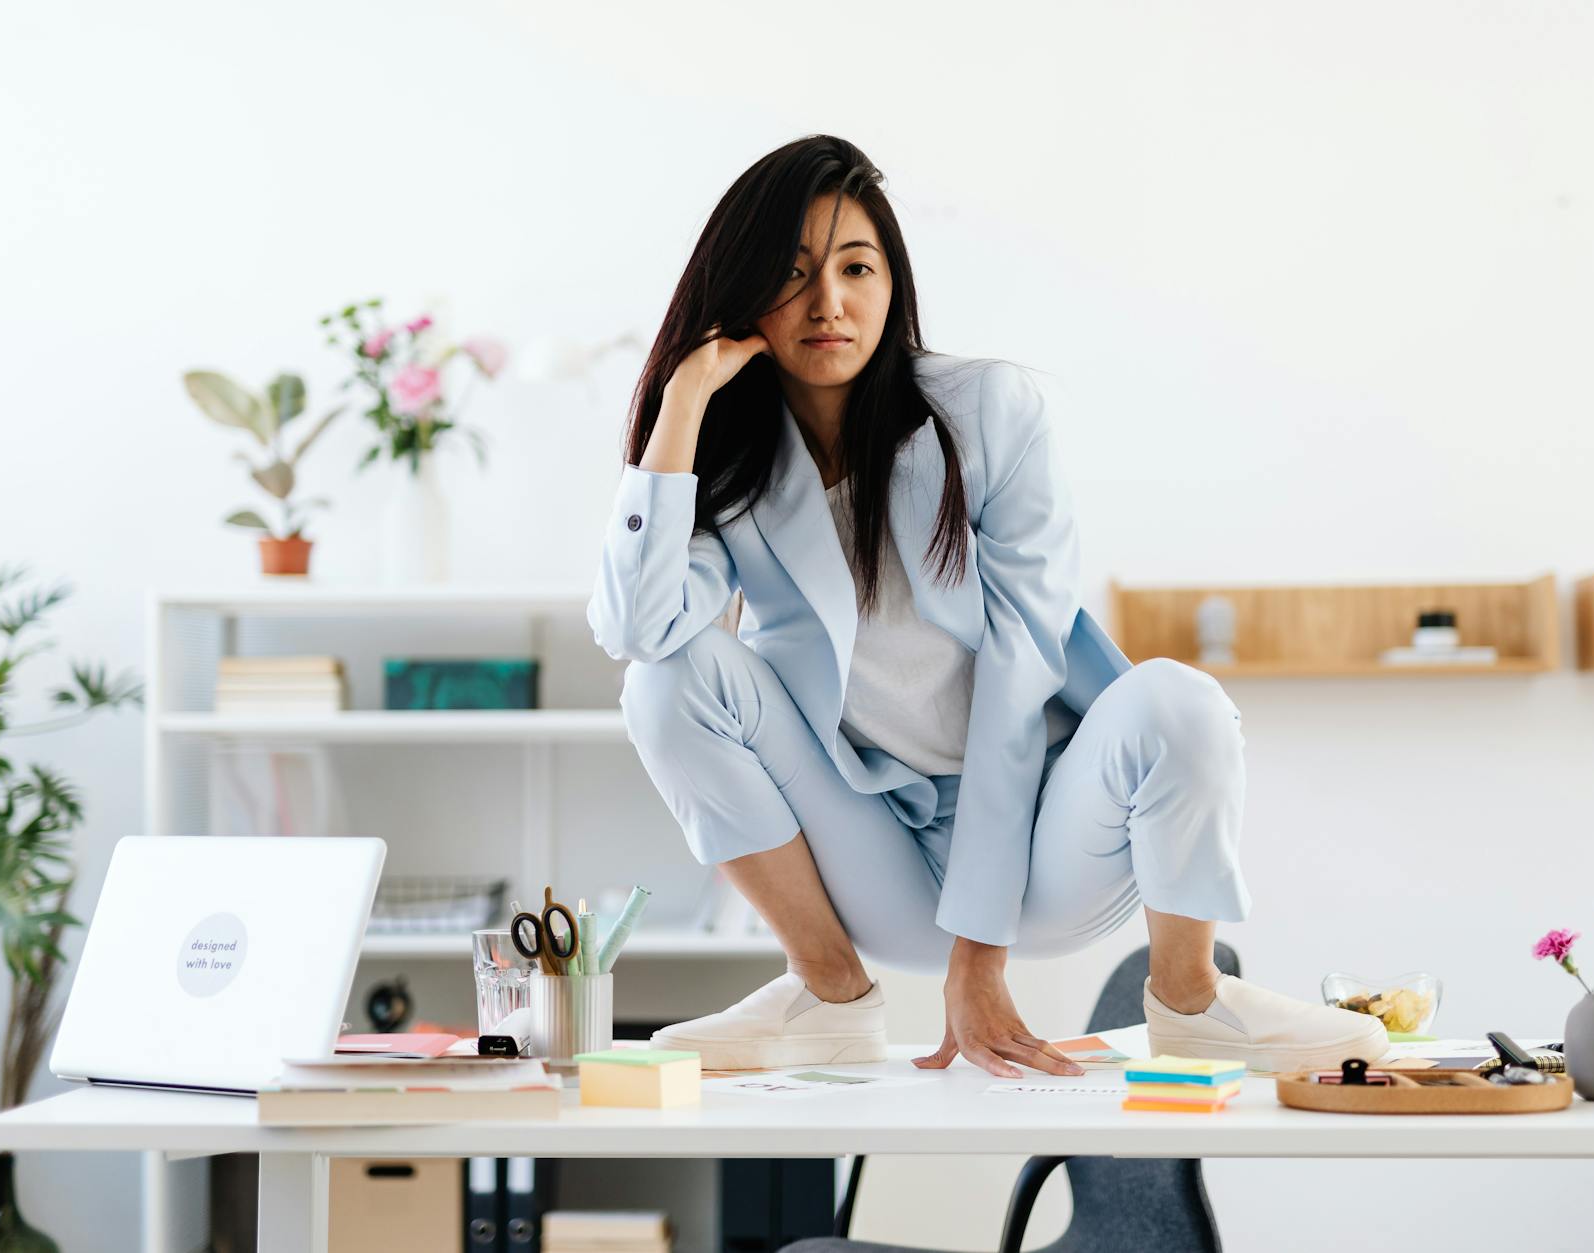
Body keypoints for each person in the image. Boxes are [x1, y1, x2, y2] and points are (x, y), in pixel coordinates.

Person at [586, 135, 1387, 1078]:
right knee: (664, 678)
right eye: (792, 273)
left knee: (1179, 700)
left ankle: (1189, 996)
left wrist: (980, 957)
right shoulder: (736, 470)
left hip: (1053, 839)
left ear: (894, 283)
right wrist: (681, 407)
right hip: (875, 854)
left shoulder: (987, 412)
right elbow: (639, 630)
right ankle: (828, 993)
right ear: (744, 295)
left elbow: (1022, 671)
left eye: (855, 268)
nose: (828, 304)